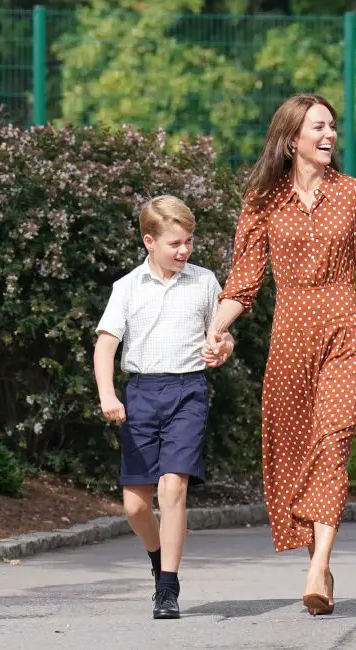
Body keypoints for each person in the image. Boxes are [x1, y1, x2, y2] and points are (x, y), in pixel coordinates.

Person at [205, 93, 356, 616]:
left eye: (332, 127)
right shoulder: (262, 201)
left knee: (333, 442)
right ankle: (321, 565)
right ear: (291, 138)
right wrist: (216, 329)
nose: (329, 136)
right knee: (297, 452)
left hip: (343, 332)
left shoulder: (354, 194)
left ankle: (315, 566)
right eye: (318, 127)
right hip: (289, 338)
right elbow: (243, 279)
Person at [93, 195, 235, 620]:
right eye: (175, 243)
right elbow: (105, 346)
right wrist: (107, 394)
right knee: (136, 505)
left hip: (188, 391)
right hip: (140, 394)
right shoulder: (127, 287)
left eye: (189, 241)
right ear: (149, 241)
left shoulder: (205, 282)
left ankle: (168, 588)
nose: (184, 250)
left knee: (173, 485)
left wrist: (223, 346)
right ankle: (158, 561)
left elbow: (222, 336)